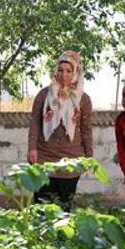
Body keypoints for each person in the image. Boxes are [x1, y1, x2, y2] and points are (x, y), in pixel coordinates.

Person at [27, 50, 93, 207]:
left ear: (76, 72)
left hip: (71, 163)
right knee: (41, 209)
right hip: (44, 160)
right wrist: (32, 149)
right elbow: (35, 124)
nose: (64, 75)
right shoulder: (43, 95)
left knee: (64, 211)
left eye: (69, 71)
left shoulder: (83, 99)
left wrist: (89, 155)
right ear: (55, 71)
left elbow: (86, 129)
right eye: (61, 70)